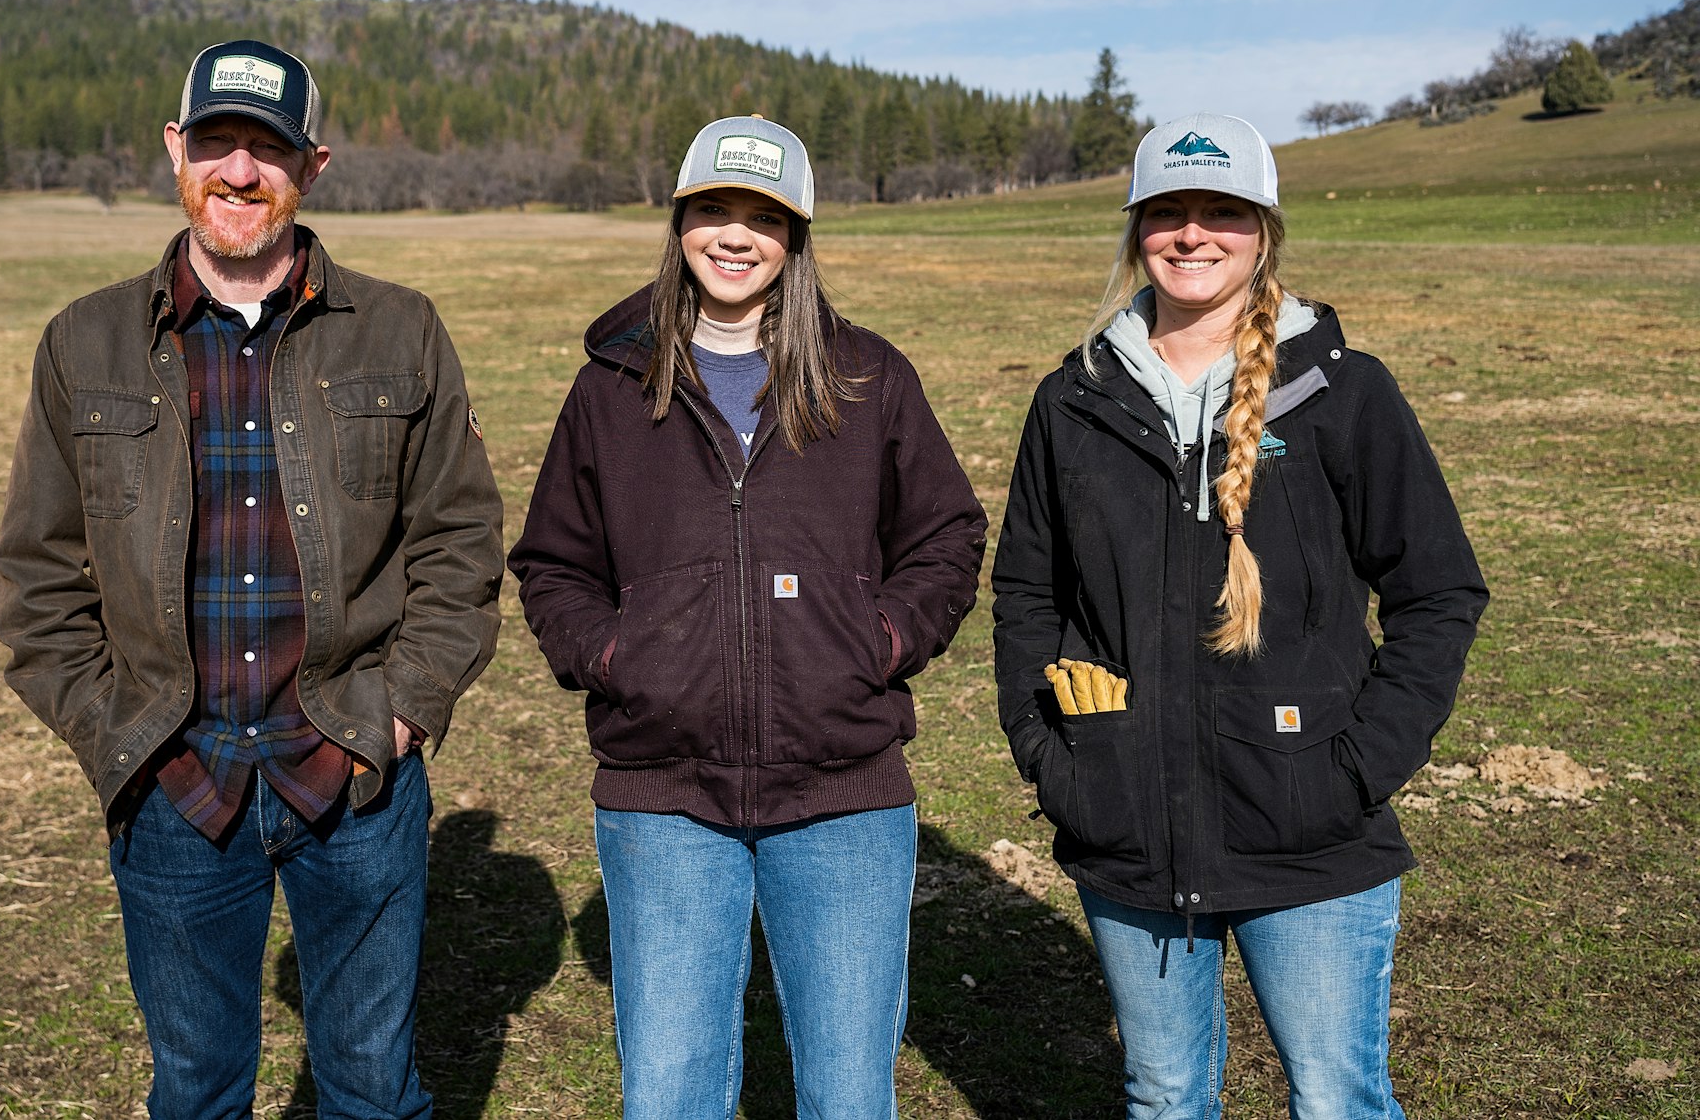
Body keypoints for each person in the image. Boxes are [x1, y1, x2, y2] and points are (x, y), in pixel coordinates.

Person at [0, 38, 504, 1118]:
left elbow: (459, 544)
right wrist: (116, 734)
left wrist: (402, 713)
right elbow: (38, 583)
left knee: (371, 1086)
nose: (238, 171)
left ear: (311, 166)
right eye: (216, 142)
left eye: (265, 148)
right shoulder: (84, 342)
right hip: (174, 785)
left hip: (356, 777)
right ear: (175, 150)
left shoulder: (400, 328)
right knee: (196, 1089)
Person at [992, 112, 1487, 1120]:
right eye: (1166, 212)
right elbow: (1025, 594)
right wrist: (1061, 761)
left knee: (1334, 1098)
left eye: (1221, 211)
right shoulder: (1073, 398)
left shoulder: (1341, 393)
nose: (1191, 234)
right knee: (1163, 1095)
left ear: (1263, 230)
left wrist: (1355, 766)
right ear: (1135, 231)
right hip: (1124, 817)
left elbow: (1436, 590)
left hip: (1307, 828)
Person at [508, 115, 987, 1118]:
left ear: (796, 237)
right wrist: (616, 653)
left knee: (848, 1096)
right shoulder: (609, 387)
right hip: (661, 794)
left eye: (762, 217)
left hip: (845, 792)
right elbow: (552, 561)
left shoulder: (867, 376)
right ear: (679, 223)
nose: (734, 237)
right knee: (669, 1096)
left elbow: (945, 538)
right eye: (712, 211)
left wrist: (880, 639)